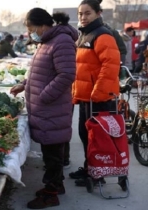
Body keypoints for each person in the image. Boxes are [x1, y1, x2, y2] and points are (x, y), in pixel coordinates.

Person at [10, 8, 77, 209]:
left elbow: (66, 75)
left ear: (41, 25)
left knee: (53, 152)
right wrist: (25, 84)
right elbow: (40, 71)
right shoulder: (46, 42)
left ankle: (51, 194)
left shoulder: (61, 41)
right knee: (51, 151)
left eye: (31, 28)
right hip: (47, 108)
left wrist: (43, 95)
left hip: (52, 107)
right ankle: (57, 185)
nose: (30, 33)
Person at [70, 0, 121, 186]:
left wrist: (98, 92)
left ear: (98, 13)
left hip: (97, 98)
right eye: (80, 14)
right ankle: (89, 168)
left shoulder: (103, 35)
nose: (83, 17)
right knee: (85, 135)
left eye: (87, 13)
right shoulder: (84, 35)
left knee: (97, 138)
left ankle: (97, 175)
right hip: (87, 97)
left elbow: (110, 67)